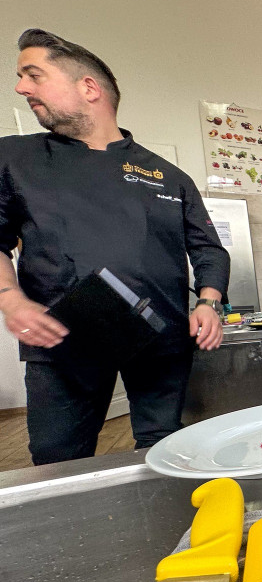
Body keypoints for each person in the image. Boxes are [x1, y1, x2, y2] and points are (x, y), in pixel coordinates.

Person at [0, 29, 229, 465]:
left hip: (162, 337)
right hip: (60, 337)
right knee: (58, 458)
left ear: (89, 88)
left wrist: (208, 303)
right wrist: (11, 300)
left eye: (34, 75)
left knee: (165, 447)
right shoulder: (14, 158)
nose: (21, 88)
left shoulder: (169, 176)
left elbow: (208, 249)